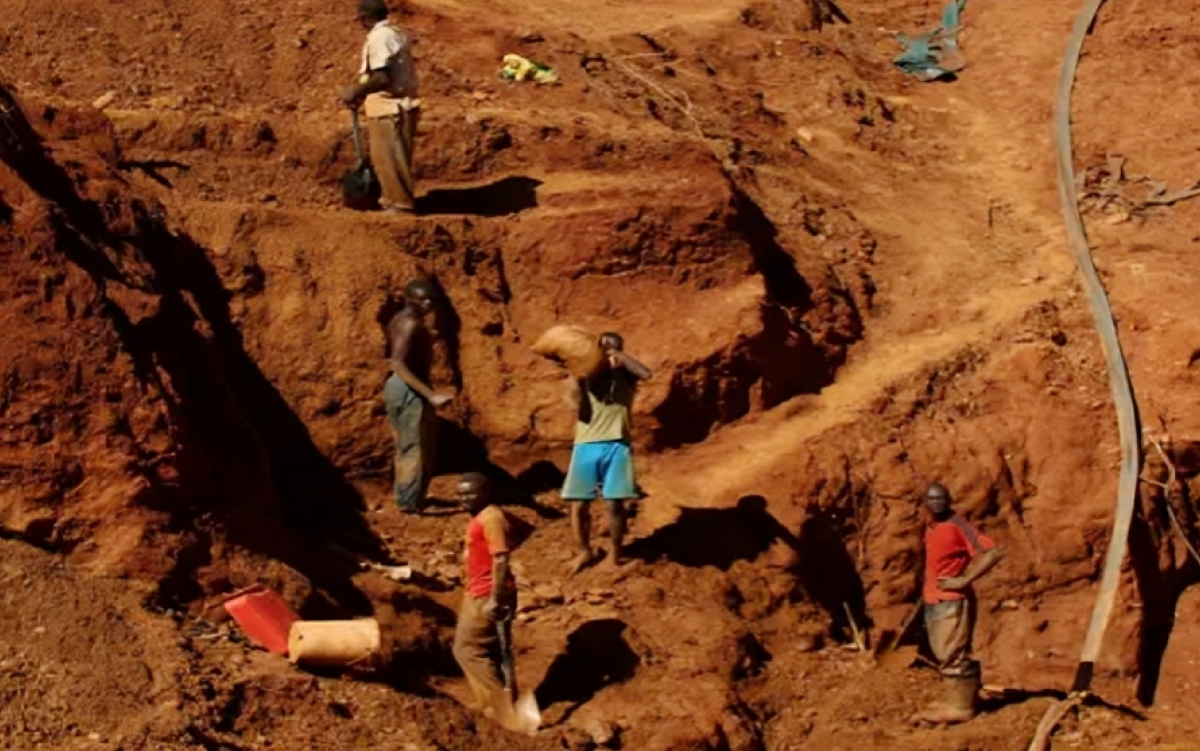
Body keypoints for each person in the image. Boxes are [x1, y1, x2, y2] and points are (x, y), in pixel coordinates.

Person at [561, 332, 652, 573]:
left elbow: (646, 373)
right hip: (586, 444)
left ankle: (614, 556)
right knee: (579, 504)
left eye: (614, 348)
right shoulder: (585, 376)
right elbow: (575, 397)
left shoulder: (627, 377)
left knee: (614, 504)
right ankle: (584, 551)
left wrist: (617, 356)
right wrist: (585, 372)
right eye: (604, 349)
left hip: (617, 444)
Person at [918, 482, 1004, 724]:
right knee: (943, 650)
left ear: (949, 500)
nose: (937, 503)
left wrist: (965, 579)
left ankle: (960, 707)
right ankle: (958, 698)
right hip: (934, 598)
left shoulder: (958, 525)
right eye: (932, 499)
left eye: (941, 498)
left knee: (951, 651)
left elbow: (993, 551)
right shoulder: (930, 525)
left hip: (952, 600)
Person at [340, 0, 421, 214]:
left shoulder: (380, 37)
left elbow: (382, 78)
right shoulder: (394, 32)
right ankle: (391, 201)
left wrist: (356, 90)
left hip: (390, 109)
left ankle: (399, 205)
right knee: (386, 159)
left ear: (366, 17)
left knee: (391, 159)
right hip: (391, 107)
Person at [452, 473, 519, 722]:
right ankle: (494, 703)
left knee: (467, 650)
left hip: (486, 593)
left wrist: (495, 597)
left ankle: (501, 708)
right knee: (492, 651)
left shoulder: (491, 518)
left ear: (486, 492)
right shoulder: (482, 516)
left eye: (471, 493)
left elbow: (501, 558)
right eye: (461, 494)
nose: (465, 499)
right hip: (481, 590)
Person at [383, 280, 451, 512]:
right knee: (416, 447)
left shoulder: (402, 319)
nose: (427, 303)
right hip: (408, 389)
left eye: (431, 299)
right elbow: (398, 363)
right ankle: (409, 504)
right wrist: (430, 395)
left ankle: (407, 498)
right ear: (409, 299)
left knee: (407, 446)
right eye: (422, 299)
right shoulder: (410, 324)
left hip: (402, 387)